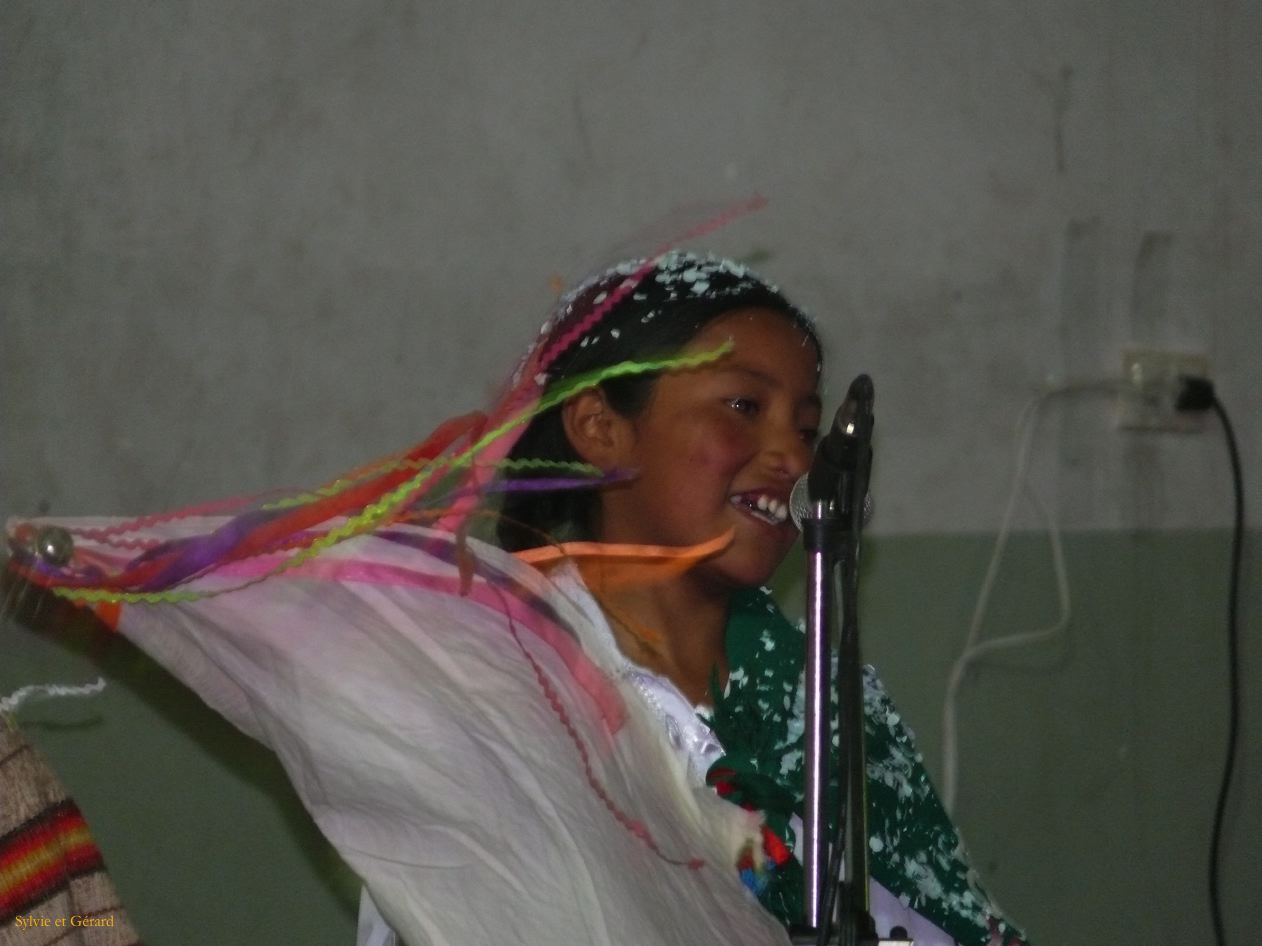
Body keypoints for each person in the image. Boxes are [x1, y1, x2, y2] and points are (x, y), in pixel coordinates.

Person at [7, 250, 1029, 946]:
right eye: (742, 407)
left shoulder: (821, 697)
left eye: (805, 421)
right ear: (597, 428)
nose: (790, 452)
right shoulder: (493, 686)